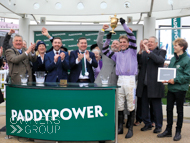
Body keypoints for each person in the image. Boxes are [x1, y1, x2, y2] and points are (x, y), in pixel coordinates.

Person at [102, 18, 137, 138]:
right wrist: (108, 38)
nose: (122, 43)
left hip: (130, 80)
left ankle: (130, 129)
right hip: (120, 80)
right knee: (120, 104)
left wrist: (123, 24)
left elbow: (132, 36)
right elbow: (104, 50)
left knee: (131, 105)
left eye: (124, 42)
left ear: (128, 43)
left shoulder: (132, 50)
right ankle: (120, 127)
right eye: (120, 42)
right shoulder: (116, 54)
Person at [157, 38, 190, 141]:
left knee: (179, 111)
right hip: (171, 88)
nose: (174, 47)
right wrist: (165, 79)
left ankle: (178, 131)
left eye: (176, 45)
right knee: (169, 109)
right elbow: (170, 72)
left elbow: (187, 76)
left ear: (182, 47)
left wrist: (174, 80)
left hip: (180, 89)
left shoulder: (188, 60)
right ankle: (168, 130)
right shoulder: (172, 59)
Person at [136, 36, 166, 133]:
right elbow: (139, 61)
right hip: (144, 85)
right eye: (148, 42)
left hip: (155, 85)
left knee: (156, 107)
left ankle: (158, 126)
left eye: (151, 42)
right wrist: (140, 50)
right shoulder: (144, 52)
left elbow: (159, 61)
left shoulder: (161, 51)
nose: (149, 43)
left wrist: (149, 52)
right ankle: (147, 124)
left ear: (156, 43)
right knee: (144, 106)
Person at [134, 39, 155, 127]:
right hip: (142, 81)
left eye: (146, 43)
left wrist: (147, 50)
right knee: (140, 101)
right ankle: (139, 119)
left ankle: (152, 120)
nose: (145, 45)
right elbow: (138, 62)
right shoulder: (140, 54)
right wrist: (141, 50)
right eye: (142, 44)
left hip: (151, 82)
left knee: (151, 102)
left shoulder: (153, 53)